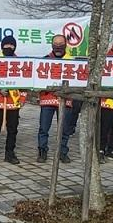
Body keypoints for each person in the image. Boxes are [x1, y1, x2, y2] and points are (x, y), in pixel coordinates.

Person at [0, 35, 27, 166]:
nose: (9, 47)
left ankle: (9, 153)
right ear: (2, 46)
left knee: (13, 130)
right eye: (6, 45)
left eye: (11, 45)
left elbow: (24, 84)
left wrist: (22, 98)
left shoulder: (19, 63)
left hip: (13, 103)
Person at [37, 34, 71, 163]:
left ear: (66, 45)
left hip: (66, 100)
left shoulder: (72, 61)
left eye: (61, 44)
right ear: (51, 45)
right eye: (55, 44)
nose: (58, 47)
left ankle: (62, 152)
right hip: (48, 99)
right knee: (44, 128)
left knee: (64, 129)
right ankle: (42, 151)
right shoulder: (45, 60)